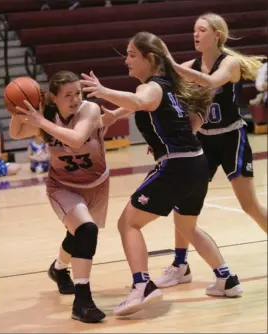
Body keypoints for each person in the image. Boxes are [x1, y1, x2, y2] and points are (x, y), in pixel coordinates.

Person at [81, 31, 243, 317]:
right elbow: (188, 119)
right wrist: (120, 118)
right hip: (196, 162)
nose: (127, 61)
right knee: (188, 227)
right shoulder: (170, 85)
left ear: (150, 58)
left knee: (127, 224)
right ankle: (226, 279)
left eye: (132, 55)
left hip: (177, 165)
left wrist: (103, 91)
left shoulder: (153, 87)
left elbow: (141, 101)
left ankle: (142, 285)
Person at [154, 12, 268, 289]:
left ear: (217, 34)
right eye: (194, 29)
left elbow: (211, 82)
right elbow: (157, 89)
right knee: (183, 202)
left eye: (201, 30)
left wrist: (172, 65)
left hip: (232, 138)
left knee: (249, 204)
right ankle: (180, 264)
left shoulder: (228, 63)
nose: (195, 34)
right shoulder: (189, 66)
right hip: (203, 141)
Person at [9, 71, 109, 323]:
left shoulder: (90, 110)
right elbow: (16, 133)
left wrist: (40, 121)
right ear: (53, 98)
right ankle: (82, 301)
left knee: (78, 234)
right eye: (68, 95)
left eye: (78, 92)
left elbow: (76, 140)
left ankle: (58, 268)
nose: (76, 99)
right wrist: (17, 109)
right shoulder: (47, 117)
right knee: (86, 231)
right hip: (63, 186)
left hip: (96, 184)